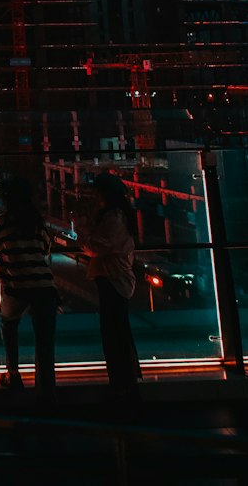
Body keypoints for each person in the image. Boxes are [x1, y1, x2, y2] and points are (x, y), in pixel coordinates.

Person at [0, 176, 58, 400]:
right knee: (45, 340)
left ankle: (13, 374)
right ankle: (46, 388)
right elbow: (45, 248)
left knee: (8, 324)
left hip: (16, 286)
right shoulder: (36, 222)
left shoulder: (2, 222)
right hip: (44, 287)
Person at [83, 171, 141, 406]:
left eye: (98, 191)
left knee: (113, 333)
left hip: (112, 280)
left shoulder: (112, 219)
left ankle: (121, 384)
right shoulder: (118, 217)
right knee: (118, 331)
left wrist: (83, 236)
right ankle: (125, 383)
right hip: (115, 279)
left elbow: (95, 246)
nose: (95, 195)